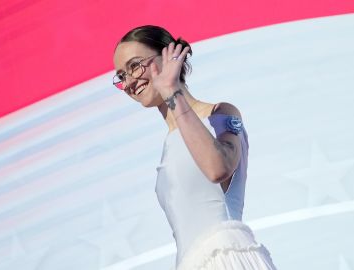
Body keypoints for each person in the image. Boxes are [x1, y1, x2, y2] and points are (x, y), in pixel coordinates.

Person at [113, 25, 277, 270]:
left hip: (226, 258)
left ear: (168, 55)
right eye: (122, 75)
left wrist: (172, 92)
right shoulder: (169, 145)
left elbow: (217, 168)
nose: (129, 82)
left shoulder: (218, 115)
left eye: (135, 65)